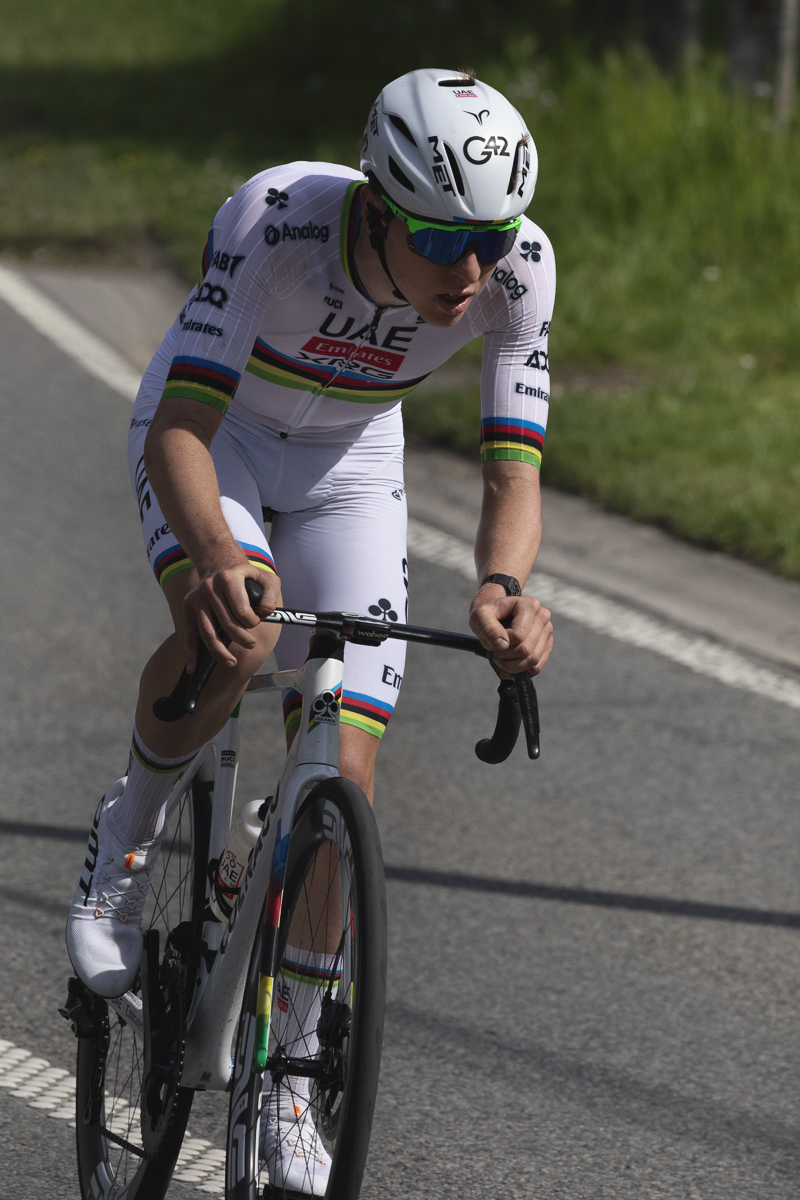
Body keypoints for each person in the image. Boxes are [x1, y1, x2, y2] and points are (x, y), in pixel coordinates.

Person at [66, 67, 555, 1193]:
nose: (470, 271)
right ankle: (121, 856)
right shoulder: (278, 218)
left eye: (490, 237)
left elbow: (511, 467)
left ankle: (288, 1070)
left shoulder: (516, 269)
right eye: (441, 240)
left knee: (346, 758)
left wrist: (500, 586)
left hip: (348, 463)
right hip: (218, 435)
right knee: (235, 634)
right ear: (378, 206)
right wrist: (220, 558)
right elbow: (180, 429)